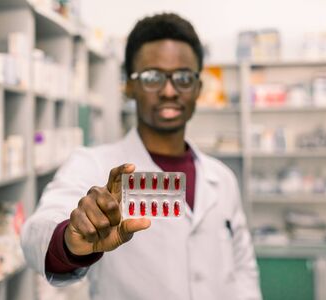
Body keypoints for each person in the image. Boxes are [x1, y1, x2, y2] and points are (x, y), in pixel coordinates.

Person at [22, 13, 262, 300]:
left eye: (184, 78)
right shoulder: (92, 164)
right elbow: (36, 232)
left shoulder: (222, 178)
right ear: (129, 86)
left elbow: (244, 269)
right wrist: (70, 239)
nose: (169, 91)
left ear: (198, 87)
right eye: (152, 77)